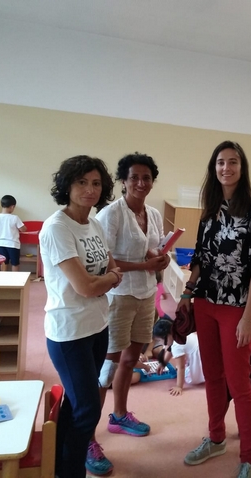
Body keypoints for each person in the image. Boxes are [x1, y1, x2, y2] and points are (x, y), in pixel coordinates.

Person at [178, 141, 251, 478]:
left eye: (232, 162)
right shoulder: (210, 209)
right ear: (213, 168)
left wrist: (248, 317)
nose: (226, 168)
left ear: (242, 168)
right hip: (205, 302)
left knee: (239, 384)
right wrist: (187, 294)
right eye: (220, 162)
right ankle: (216, 438)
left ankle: (249, 457)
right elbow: (200, 256)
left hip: (235, 307)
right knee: (213, 377)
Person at [39, 155, 122, 478]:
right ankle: (70, 472)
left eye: (96, 183)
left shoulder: (94, 223)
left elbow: (111, 267)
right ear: (67, 186)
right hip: (69, 331)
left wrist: (105, 279)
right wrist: (108, 279)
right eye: (82, 182)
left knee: (76, 405)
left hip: (97, 326)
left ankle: (55, 465)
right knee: (87, 411)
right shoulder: (57, 228)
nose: (90, 189)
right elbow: (85, 286)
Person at [89, 152, 170, 475]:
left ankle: (119, 415)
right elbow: (105, 260)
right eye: (134, 177)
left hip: (146, 295)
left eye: (146, 178)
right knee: (107, 365)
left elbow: (154, 250)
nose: (140, 183)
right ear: (123, 181)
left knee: (130, 358)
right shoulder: (111, 214)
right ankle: (87, 437)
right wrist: (145, 264)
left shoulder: (154, 213)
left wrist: (160, 259)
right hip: (119, 296)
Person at [151, 316, 205, 395]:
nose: (161, 343)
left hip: (200, 367)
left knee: (187, 376)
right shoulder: (180, 332)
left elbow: (181, 367)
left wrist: (179, 386)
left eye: (159, 340)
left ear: (167, 335)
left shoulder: (177, 345)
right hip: (205, 359)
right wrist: (163, 363)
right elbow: (170, 349)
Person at [0, 194, 27, 271]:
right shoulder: (15, 218)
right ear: (12, 206)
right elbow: (23, 229)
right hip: (13, 244)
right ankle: (14, 278)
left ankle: (3, 277)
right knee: (15, 263)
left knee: (3, 262)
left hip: (1, 243)